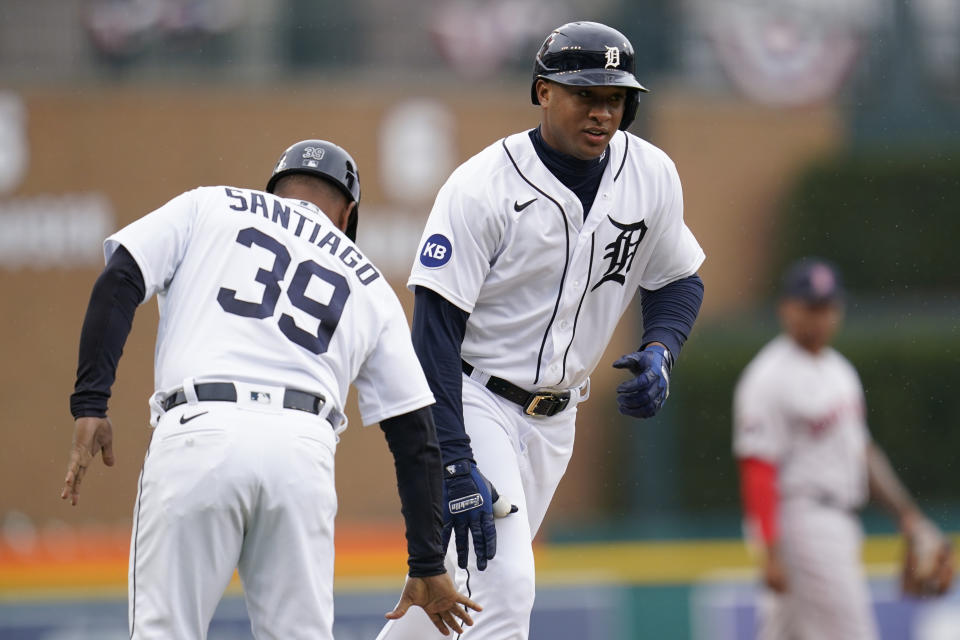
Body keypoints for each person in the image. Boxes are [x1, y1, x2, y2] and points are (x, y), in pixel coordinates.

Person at [59, 139, 481, 639]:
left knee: (164, 631)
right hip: (301, 451)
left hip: (200, 430)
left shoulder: (211, 203)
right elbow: (416, 436)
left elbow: (121, 277)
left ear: (276, 190)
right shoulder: (368, 280)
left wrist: (91, 401)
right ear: (347, 214)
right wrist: (428, 561)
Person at [377, 21, 706, 640]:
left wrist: (662, 348)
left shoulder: (651, 174)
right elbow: (434, 336)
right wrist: (452, 458)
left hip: (557, 420)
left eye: (615, 99)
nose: (602, 112)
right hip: (476, 398)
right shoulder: (481, 188)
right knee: (505, 590)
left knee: (450, 599)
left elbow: (679, 279)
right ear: (542, 92)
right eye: (585, 94)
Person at [733, 257, 954, 640]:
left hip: (836, 518)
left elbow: (863, 453)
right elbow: (758, 467)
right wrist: (769, 550)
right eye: (811, 306)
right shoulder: (767, 377)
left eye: (828, 307)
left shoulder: (840, 371)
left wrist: (908, 516)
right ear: (786, 307)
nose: (820, 317)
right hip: (802, 519)